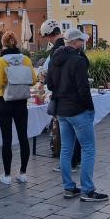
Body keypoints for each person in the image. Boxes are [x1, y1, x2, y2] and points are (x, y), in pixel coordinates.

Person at [46, 29, 107, 201]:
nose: (83, 44)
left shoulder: (54, 59)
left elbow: (50, 84)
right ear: (75, 42)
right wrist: (90, 108)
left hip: (61, 110)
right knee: (88, 148)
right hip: (78, 110)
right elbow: (83, 89)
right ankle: (88, 190)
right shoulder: (78, 61)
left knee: (66, 149)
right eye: (81, 41)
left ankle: (69, 187)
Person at [0, 31, 37, 185]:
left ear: (3, 44)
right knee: (23, 137)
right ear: (16, 43)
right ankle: (23, 173)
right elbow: (34, 79)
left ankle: (6, 175)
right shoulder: (25, 59)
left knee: (7, 139)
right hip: (21, 102)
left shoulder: (0, 61)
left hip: (4, 102)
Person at [39, 19, 81, 171]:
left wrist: (44, 81)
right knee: (75, 130)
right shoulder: (71, 45)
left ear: (49, 35)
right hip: (74, 95)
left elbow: (48, 74)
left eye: (46, 37)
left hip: (61, 96)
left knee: (65, 133)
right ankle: (76, 159)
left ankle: (68, 164)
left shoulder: (56, 51)